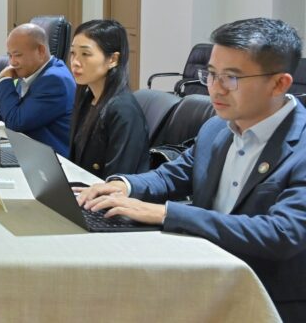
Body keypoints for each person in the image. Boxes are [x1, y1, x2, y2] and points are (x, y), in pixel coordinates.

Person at [77, 18, 306, 321]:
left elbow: (282, 233)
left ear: (279, 84)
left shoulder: (300, 144)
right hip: (202, 277)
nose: (215, 89)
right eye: (211, 74)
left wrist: (167, 213)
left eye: (231, 78)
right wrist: (123, 186)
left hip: (267, 301)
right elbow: (173, 175)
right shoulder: (216, 128)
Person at [67, 19, 148, 176]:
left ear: (113, 60)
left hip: (108, 190)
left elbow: (118, 178)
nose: (75, 62)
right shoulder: (87, 98)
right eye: (72, 53)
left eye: (85, 54)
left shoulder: (123, 110)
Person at [0, 23, 76, 156]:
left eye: (17, 55)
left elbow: (15, 122)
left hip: (52, 159)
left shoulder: (54, 80)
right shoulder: (34, 72)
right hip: (31, 150)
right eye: (10, 55)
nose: (12, 62)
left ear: (41, 51)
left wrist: (3, 80)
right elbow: (18, 108)